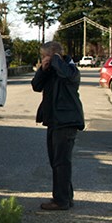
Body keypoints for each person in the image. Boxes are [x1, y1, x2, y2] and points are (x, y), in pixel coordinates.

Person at [31, 41, 85, 211]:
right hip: (54, 121)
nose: (42, 59)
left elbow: (68, 75)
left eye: (43, 56)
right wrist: (43, 69)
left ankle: (61, 200)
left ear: (54, 55)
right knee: (57, 161)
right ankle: (66, 197)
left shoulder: (69, 68)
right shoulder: (52, 71)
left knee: (61, 162)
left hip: (66, 121)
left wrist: (55, 59)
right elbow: (36, 86)